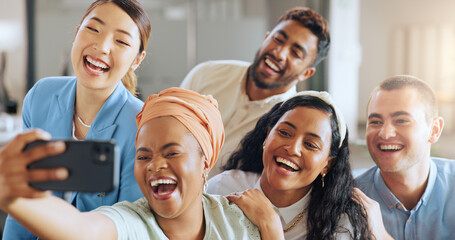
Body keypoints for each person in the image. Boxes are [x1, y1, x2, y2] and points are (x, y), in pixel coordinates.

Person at [0, 88, 272, 239]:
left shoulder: (240, 223)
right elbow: (80, 230)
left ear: (205, 163)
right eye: (143, 156)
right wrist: (14, 198)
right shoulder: (131, 222)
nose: (154, 165)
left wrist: (272, 229)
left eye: (172, 153)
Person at [3, 0, 151, 239]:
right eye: (93, 29)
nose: (102, 46)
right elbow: (22, 203)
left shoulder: (143, 125)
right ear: (76, 32)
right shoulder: (41, 96)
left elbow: (128, 225)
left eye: (121, 41)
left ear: (137, 60)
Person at [208, 91, 381, 240]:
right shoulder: (222, 188)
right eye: (284, 133)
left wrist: (269, 223)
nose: (293, 149)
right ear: (267, 136)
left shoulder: (341, 224)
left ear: (327, 164)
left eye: (310, 145)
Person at [180, 7, 330, 177]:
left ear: (306, 73)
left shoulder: (290, 119)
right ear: (266, 38)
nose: (279, 53)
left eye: (295, 53)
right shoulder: (205, 74)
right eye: (278, 39)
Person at [356, 75, 455, 240]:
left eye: (401, 120)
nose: (385, 133)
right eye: (375, 121)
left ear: (434, 130)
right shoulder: (350, 202)